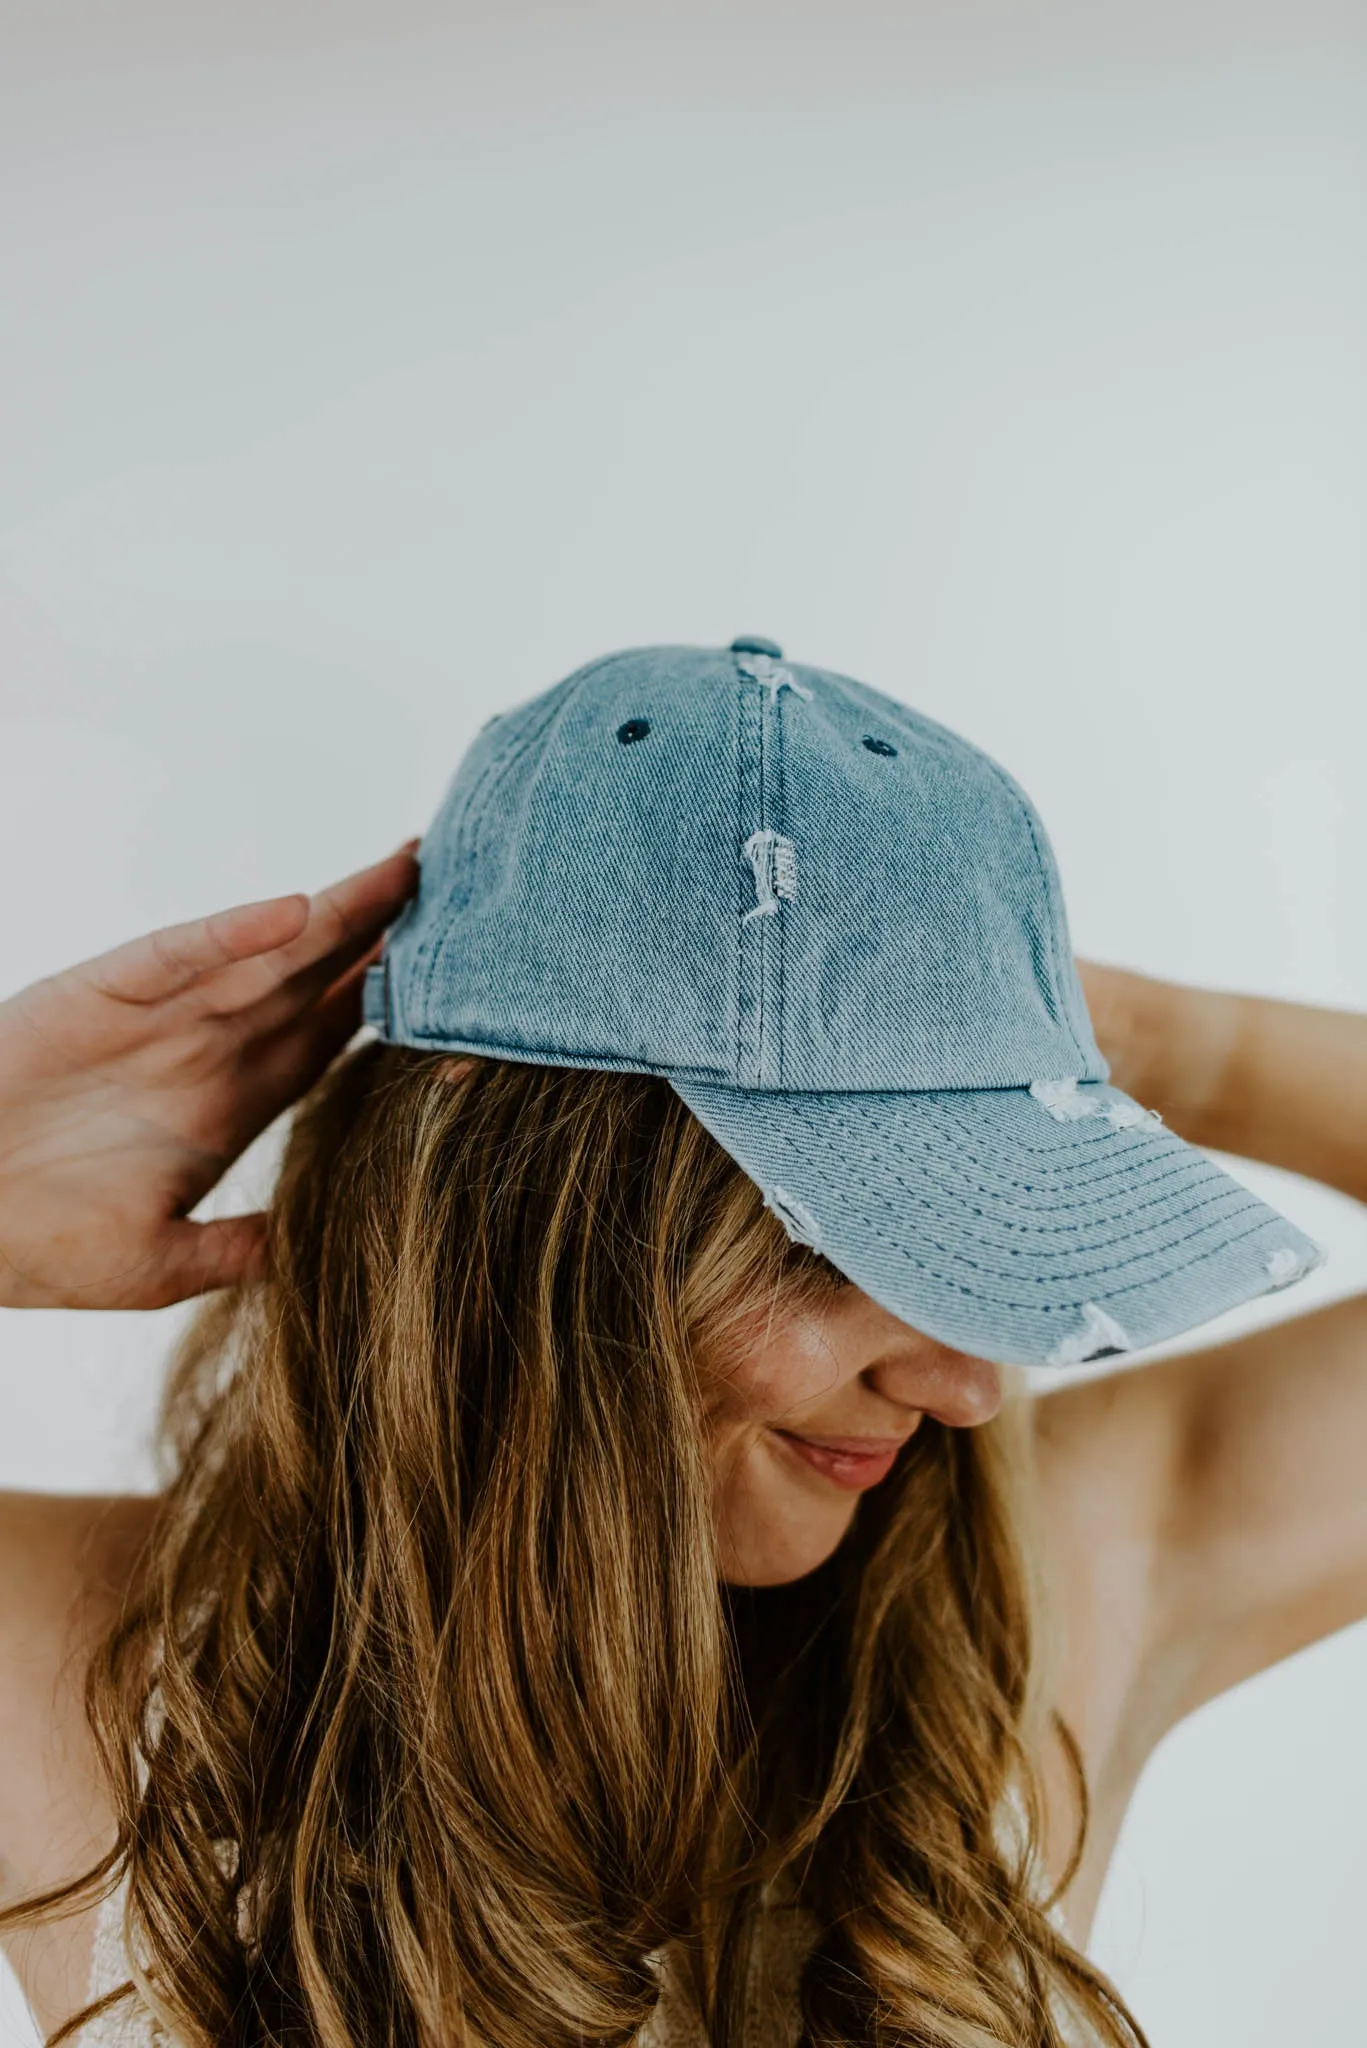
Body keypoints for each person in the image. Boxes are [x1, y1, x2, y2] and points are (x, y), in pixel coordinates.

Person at [0, 638, 1363, 2048]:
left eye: (978, 1233)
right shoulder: (57, 1657)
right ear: (515, 1216)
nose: (963, 1388)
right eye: (846, 1246)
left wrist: (1138, 1038)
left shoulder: (1043, 1578)